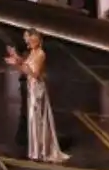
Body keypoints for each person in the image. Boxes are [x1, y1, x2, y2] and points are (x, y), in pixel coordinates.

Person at [5, 30, 67, 163]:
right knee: (33, 120)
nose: (29, 43)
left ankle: (42, 150)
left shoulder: (41, 54)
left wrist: (20, 63)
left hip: (38, 89)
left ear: (38, 41)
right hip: (31, 88)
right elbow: (24, 68)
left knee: (38, 119)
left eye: (32, 41)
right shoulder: (33, 53)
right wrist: (16, 61)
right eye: (29, 41)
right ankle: (36, 150)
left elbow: (35, 74)